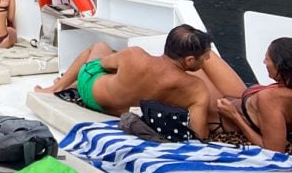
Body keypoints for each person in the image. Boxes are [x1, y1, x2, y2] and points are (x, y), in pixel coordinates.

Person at [34, 24, 214, 139]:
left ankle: (56, 87)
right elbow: (199, 134)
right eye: (205, 57)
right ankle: (61, 86)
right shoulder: (195, 88)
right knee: (116, 69)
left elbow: (103, 64)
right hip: (119, 113)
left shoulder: (134, 55)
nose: (206, 61)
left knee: (99, 48)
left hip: (91, 94)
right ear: (189, 60)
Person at [211, 38, 292, 153]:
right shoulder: (285, 86)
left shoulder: (271, 98)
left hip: (219, 121)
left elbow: (274, 151)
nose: (264, 62)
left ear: (279, 65)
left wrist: (234, 116)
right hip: (237, 101)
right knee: (202, 51)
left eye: (267, 59)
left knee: (194, 51)